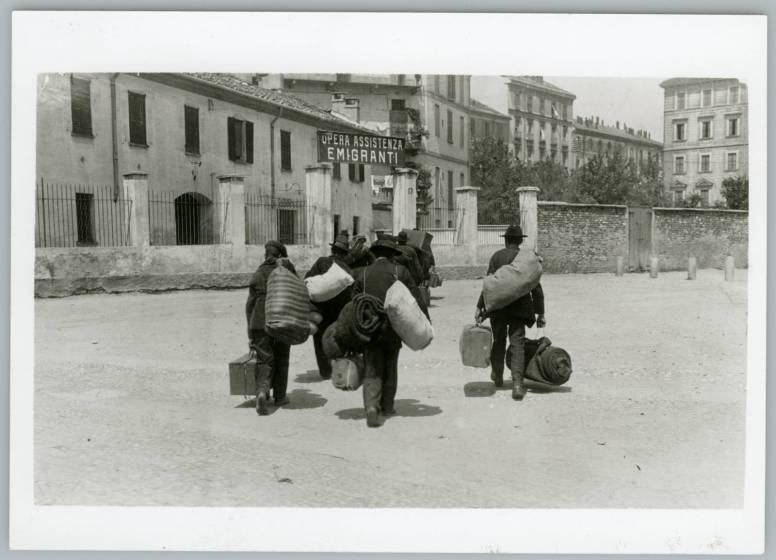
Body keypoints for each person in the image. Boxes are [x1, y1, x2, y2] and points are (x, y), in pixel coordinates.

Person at [352, 238, 430, 428]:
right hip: (393, 327)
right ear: (391, 255)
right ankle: (387, 406)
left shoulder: (363, 273)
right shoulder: (400, 272)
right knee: (390, 365)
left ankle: (371, 406)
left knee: (372, 366)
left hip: (369, 328)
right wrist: (425, 320)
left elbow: (353, 301)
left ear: (375, 253)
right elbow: (415, 298)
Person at [475, 225, 546, 401]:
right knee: (517, 345)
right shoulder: (527, 259)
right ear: (520, 241)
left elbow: (490, 285)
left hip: (498, 308)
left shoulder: (497, 257)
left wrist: (480, 306)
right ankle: (517, 384)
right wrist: (540, 312)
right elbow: (536, 287)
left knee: (498, 341)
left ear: (506, 240)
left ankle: (497, 375)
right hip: (519, 308)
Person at [245, 240, 297, 415]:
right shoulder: (286, 269)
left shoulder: (258, 273)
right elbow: (299, 289)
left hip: (259, 322)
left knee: (264, 359)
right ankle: (280, 397)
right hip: (282, 320)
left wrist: (250, 331)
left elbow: (250, 305)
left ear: (265, 254)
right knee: (282, 357)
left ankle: (262, 391)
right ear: (280, 254)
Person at [304, 231, 353, 379]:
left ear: (333, 250)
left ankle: (325, 371)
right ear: (345, 253)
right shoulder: (347, 269)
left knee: (319, 338)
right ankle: (337, 368)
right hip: (338, 310)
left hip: (320, 309)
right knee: (337, 338)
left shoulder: (322, 262)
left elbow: (308, 280)